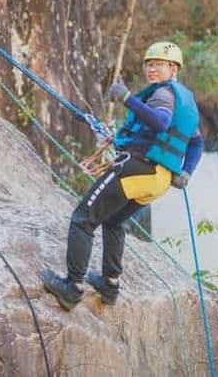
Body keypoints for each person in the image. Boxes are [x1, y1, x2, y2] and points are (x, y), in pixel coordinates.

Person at [43, 41, 203, 309]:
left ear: (174, 68)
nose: (152, 69)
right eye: (149, 64)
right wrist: (186, 172)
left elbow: (160, 122)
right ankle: (109, 284)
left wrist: (126, 98)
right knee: (114, 220)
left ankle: (72, 287)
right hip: (159, 180)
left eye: (159, 64)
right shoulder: (185, 102)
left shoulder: (163, 95)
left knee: (83, 218)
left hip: (139, 168)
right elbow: (197, 142)